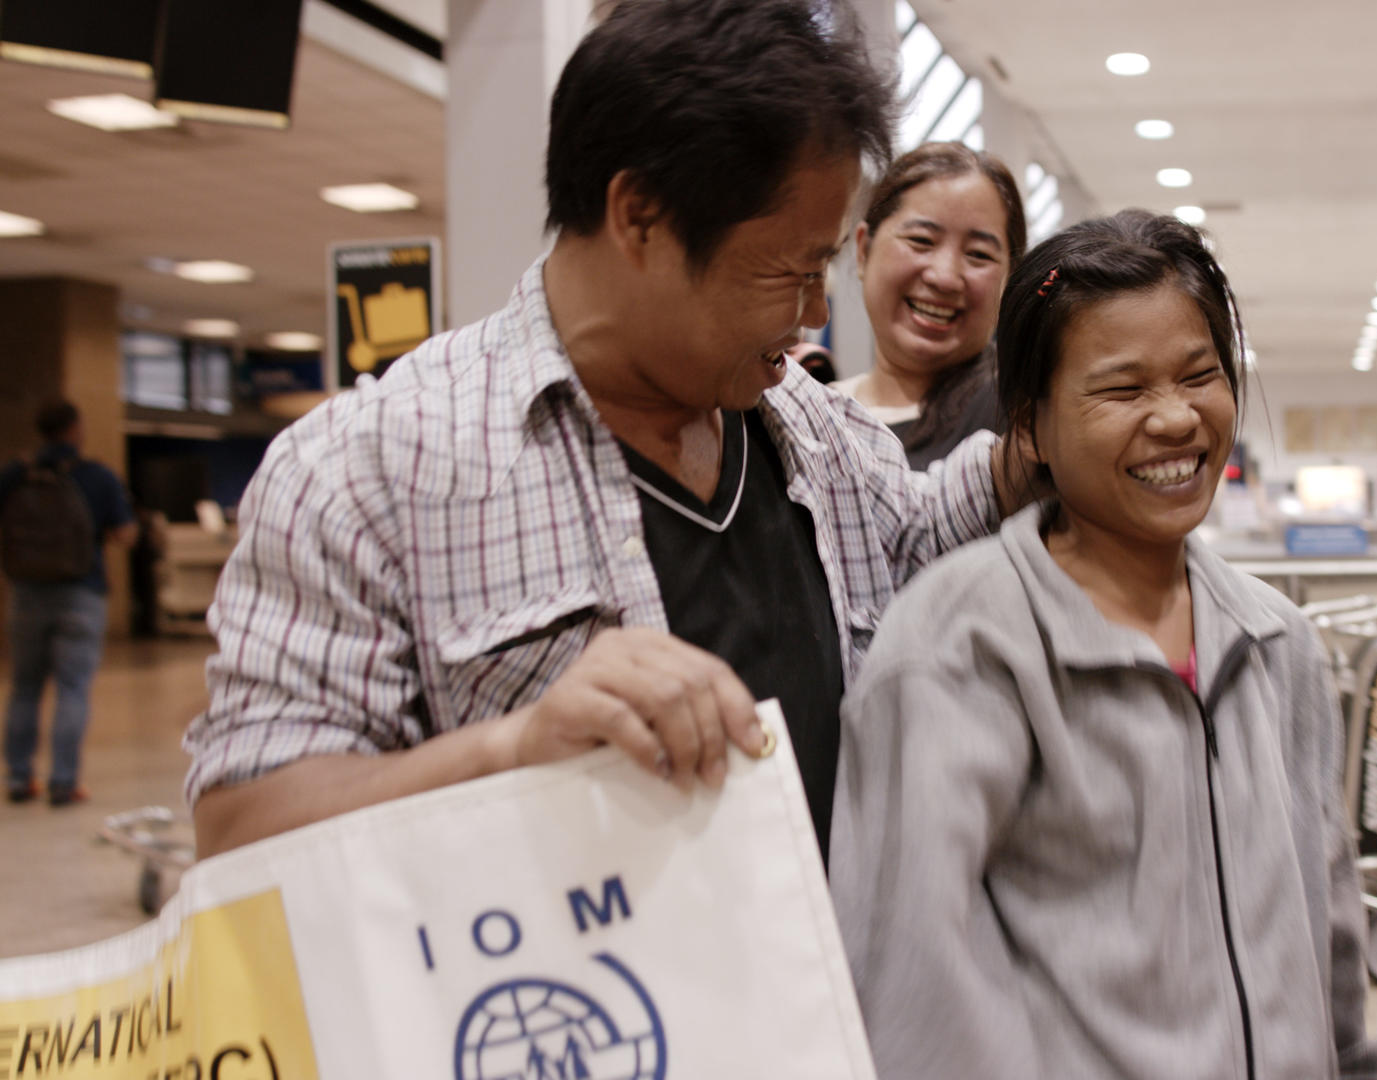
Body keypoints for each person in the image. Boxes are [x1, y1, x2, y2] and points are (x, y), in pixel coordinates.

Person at [184, 0, 1026, 860]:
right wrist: (510, 752)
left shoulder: (803, 423)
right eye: (792, 269)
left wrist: (1036, 456)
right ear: (641, 218)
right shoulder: (370, 471)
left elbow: (914, 529)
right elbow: (240, 827)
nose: (815, 309)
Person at [830, 210, 1377, 1079]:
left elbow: (1325, 935)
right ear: (1029, 426)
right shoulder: (960, 645)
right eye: (1122, 388)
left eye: (1199, 375)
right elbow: (915, 987)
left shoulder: (1272, 640)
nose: (1176, 419)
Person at [832, 142, 1023, 468]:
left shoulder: (1020, 421)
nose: (945, 277)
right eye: (921, 241)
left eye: (978, 254)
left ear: (1010, 279)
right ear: (863, 250)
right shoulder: (812, 409)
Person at [2, 400, 136, 806]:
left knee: (24, 687)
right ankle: (64, 781)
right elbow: (126, 534)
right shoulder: (96, 475)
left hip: (25, 591)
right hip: (81, 591)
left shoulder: (14, 474)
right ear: (76, 428)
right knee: (72, 688)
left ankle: (19, 777)